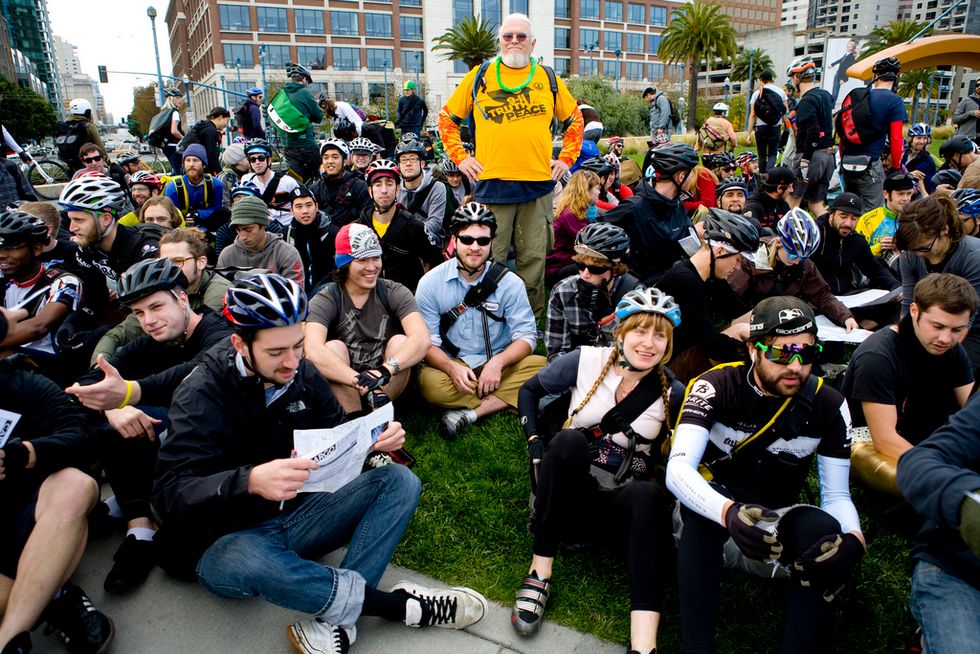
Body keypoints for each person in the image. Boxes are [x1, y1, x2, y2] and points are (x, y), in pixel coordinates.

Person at [152, 273, 488, 653]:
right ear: (239, 344)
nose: (293, 361)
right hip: (223, 543)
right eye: (276, 352)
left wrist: (372, 442)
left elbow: (335, 431)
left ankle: (334, 620)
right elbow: (167, 496)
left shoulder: (302, 372)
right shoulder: (201, 392)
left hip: (294, 518)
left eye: (298, 345)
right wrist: (249, 480)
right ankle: (400, 607)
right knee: (247, 556)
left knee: (399, 481)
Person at [666, 296, 865, 654]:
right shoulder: (715, 385)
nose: (795, 366)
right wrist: (727, 513)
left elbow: (836, 496)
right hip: (711, 520)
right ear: (752, 349)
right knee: (701, 512)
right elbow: (678, 469)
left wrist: (854, 538)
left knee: (823, 530)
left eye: (807, 353)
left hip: (774, 528)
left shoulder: (830, 404)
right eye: (780, 353)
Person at [513, 288, 681, 653]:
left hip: (619, 510)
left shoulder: (673, 392)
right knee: (568, 442)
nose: (648, 343)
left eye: (659, 335)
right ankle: (539, 572)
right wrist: (536, 445)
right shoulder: (586, 360)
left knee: (648, 493)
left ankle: (643, 645)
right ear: (620, 332)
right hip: (565, 499)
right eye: (640, 330)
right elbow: (528, 391)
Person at [65, 257, 233, 594]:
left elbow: (197, 372)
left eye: (156, 307)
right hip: (168, 449)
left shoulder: (218, 331)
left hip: (218, 452)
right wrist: (112, 408)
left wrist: (124, 394)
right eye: (139, 313)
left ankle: (133, 508)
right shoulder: (148, 343)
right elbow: (83, 385)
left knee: (147, 415)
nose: (149, 321)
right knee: (108, 423)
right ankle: (138, 526)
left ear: (182, 299)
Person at [438, 12, 584, 316]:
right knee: (489, 258)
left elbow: (575, 120)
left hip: (537, 186)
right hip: (492, 186)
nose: (514, 41)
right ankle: (486, 318)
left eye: (521, 37)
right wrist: (461, 158)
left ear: (532, 43)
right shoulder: (480, 75)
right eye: (508, 36)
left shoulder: (548, 78)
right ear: (500, 41)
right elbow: (446, 119)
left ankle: (530, 324)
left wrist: (566, 158)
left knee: (534, 259)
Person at [0, 361, 113, 654]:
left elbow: (83, 436)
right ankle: (56, 598)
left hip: (37, 514)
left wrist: (24, 453)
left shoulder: (21, 383)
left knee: (75, 486)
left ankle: (8, 640)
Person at [416, 203, 546, 440]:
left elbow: (527, 336)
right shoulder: (430, 283)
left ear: (492, 242)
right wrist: (450, 367)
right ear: (454, 240)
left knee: (543, 366)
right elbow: (426, 344)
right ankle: (513, 397)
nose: (475, 247)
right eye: (467, 239)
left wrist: (498, 363)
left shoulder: (511, 283)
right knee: (428, 383)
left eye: (483, 241)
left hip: (501, 365)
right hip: (456, 366)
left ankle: (472, 413)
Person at [844, 273, 975, 498]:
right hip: (868, 442)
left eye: (957, 330)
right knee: (935, 485)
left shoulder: (952, 348)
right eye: (937, 326)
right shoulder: (877, 356)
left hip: (923, 434)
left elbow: (972, 409)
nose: (946, 338)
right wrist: (941, 472)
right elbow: (884, 439)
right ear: (914, 311)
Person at [304, 223, 430, 413]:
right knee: (332, 348)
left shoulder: (394, 291)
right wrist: (361, 383)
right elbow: (313, 350)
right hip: (346, 383)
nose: (371, 267)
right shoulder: (327, 298)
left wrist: (385, 371)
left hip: (388, 379)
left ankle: (378, 416)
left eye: (375, 258)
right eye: (362, 260)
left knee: (401, 342)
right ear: (344, 264)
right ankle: (353, 418)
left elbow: (422, 338)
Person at [897, 395, 980, 654]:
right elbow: (917, 460)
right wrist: (967, 501)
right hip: (957, 568)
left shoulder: (958, 360)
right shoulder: (877, 359)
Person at [90, 228, 233, 362]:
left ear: (201, 262)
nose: (171, 268)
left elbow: (199, 333)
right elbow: (117, 335)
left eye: (178, 261)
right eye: (164, 262)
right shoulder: (161, 289)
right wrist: (100, 367)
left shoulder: (219, 290)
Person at [658, 209, 759, 383]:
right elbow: (711, 346)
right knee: (740, 332)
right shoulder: (686, 281)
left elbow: (740, 311)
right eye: (738, 259)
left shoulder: (710, 276)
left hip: (686, 351)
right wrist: (758, 354)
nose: (737, 267)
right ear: (719, 251)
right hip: (665, 365)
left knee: (746, 324)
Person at [729, 209, 860, 332]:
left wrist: (845, 317)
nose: (797, 261)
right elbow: (731, 298)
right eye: (792, 255)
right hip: (751, 318)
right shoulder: (751, 260)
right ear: (779, 243)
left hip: (785, 318)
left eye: (802, 258)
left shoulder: (804, 265)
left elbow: (821, 294)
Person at [895, 194, 980, 379]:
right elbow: (909, 303)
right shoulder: (911, 254)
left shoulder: (974, 257)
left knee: (950, 373)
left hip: (969, 328)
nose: (917, 254)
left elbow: (968, 320)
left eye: (923, 248)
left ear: (944, 231)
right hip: (931, 322)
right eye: (912, 249)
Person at [602, 143, 699, 285]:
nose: (692, 179)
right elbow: (596, 233)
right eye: (691, 174)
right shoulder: (635, 208)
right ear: (681, 176)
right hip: (644, 290)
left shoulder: (676, 204)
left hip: (676, 279)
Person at [0, 211, 84, 372]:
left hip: (47, 362)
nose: (2, 255)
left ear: (37, 249)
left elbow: (38, 326)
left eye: (10, 248)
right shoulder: (3, 280)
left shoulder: (63, 281)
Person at [544, 222, 641, 360]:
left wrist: (606, 316)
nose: (585, 274)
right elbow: (556, 352)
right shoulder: (564, 291)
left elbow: (632, 357)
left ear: (615, 269)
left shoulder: (635, 296)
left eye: (596, 269)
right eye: (580, 265)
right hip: (574, 369)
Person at [354, 160, 442, 293]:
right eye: (378, 184)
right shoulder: (357, 228)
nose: (384, 190)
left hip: (406, 299)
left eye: (389, 184)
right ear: (370, 191)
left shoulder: (414, 227)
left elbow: (435, 262)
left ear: (397, 189)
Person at [60, 174, 163, 284]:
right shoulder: (88, 245)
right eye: (71, 220)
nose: (72, 228)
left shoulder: (145, 251)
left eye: (79, 220)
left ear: (106, 219)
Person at [838, 57, 907, 211]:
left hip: (848, 160)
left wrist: (842, 157)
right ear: (895, 77)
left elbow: (843, 131)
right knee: (874, 210)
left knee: (850, 208)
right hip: (870, 164)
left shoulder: (857, 96)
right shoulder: (894, 101)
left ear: (875, 76)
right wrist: (896, 167)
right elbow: (896, 138)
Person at [810, 192, 899, 303]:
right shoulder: (813, 234)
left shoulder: (856, 240)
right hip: (816, 296)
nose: (848, 223)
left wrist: (895, 288)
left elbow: (874, 269)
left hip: (847, 296)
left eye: (854, 218)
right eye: (843, 216)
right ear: (831, 214)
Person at [216, 195, 305, 289]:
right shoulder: (226, 256)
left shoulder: (287, 253)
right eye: (238, 230)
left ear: (263, 225)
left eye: (248, 229)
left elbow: (296, 294)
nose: (242, 237)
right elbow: (219, 293)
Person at [785, 57, 835, 217]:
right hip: (828, 157)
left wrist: (805, 160)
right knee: (816, 203)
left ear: (796, 78)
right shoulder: (825, 95)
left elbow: (813, 130)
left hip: (811, 157)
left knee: (792, 200)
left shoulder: (807, 101)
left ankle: (789, 238)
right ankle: (828, 234)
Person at [546, 169, 600, 285]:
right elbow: (589, 244)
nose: (599, 192)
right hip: (558, 269)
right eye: (597, 188)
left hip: (565, 264)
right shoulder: (570, 215)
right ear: (586, 191)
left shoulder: (573, 211)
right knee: (602, 264)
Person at [273, 63, 324, 181]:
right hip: (306, 144)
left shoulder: (281, 94)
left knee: (296, 179)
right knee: (318, 177)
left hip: (288, 146)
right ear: (304, 79)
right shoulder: (305, 92)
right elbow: (318, 117)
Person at [394, 139, 450, 247]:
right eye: (404, 160)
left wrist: (406, 233)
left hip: (426, 238)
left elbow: (435, 223)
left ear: (422, 163)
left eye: (413, 159)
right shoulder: (394, 186)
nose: (408, 163)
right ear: (399, 165)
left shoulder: (437, 187)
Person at [281, 186, 338, 291]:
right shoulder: (287, 235)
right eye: (298, 207)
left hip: (328, 291)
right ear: (291, 210)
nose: (305, 211)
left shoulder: (332, 232)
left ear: (316, 207)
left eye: (309, 205)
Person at [162, 143, 228, 233]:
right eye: (188, 160)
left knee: (225, 212)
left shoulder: (215, 184)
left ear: (204, 165)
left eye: (195, 160)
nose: (191, 164)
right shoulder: (173, 188)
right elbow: (171, 214)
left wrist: (199, 214)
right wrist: (187, 219)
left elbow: (216, 208)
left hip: (208, 224)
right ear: (184, 165)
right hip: (182, 228)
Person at [854, 171, 916, 262]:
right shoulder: (868, 220)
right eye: (900, 194)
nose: (906, 199)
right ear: (886, 194)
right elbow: (855, 254)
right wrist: (879, 247)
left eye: (909, 194)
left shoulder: (916, 219)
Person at [309, 138, 372, 228]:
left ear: (345, 161)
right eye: (326, 157)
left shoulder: (360, 187)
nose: (330, 161)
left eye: (335, 157)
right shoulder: (315, 188)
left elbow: (367, 217)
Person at [241, 139, 300, 229]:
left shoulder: (287, 182)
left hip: (288, 227)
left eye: (261, 158)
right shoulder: (246, 181)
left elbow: (301, 203)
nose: (257, 163)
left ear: (269, 161)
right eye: (253, 159)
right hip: (262, 228)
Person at [747, 70, 787, 173]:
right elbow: (785, 111)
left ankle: (762, 176)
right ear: (771, 79)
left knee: (762, 155)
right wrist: (783, 124)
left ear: (761, 80)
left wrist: (749, 133)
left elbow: (752, 114)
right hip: (775, 127)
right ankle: (769, 174)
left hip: (761, 128)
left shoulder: (757, 93)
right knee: (773, 153)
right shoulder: (781, 92)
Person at [74, 143, 132, 211]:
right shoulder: (79, 176)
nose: (94, 163)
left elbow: (134, 186)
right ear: (84, 163)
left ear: (103, 159)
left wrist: (124, 174)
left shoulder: (116, 173)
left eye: (97, 158)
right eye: (88, 160)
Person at [177, 107, 230, 176]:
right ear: (220, 117)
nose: (226, 125)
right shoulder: (210, 131)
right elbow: (211, 155)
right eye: (227, 121)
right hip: (200, 169)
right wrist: (220, 172)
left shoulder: (203, 126)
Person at [59, 97, 107, 172]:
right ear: (87, 112)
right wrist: (108, 161)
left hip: (71, 164)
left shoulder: (64, 125)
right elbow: (100, 146)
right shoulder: (88, 125)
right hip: (88, 163)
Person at [743, 166, 793, 230]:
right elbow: (749, 232)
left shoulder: (783, 205)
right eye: (790, 187)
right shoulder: (753, 206)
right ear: (779, 188)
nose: (792, 190)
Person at [902, 123, 938, 196]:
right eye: (919, 138)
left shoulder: (927, 161)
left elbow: (930, 187)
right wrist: (909, 174)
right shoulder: (902, 154)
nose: (922, 142)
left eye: (925, 138)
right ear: (911, 139)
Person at [160, 88, 186, 175]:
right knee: (179, 173)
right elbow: (174, 130)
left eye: (180, 98)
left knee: (175, 171)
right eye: (177, 98)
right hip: (175, 146)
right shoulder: (174, 112)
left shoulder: (164, 112)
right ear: (170, 99)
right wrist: (184, 138)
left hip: (166, 146)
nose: (180, 100)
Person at [829, 40, 859, 104]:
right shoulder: (846, 54)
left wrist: (844, 79)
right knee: (834, 90)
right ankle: (832, 105)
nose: (848, 47)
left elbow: (848, 68)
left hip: (842, 76)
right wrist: (832, 64)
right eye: (848, 46)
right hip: (838, 74)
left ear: (852, 48)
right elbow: (840, 60)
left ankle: (832, 105)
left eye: (850, 47)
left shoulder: (851, 57)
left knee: (835, 92)